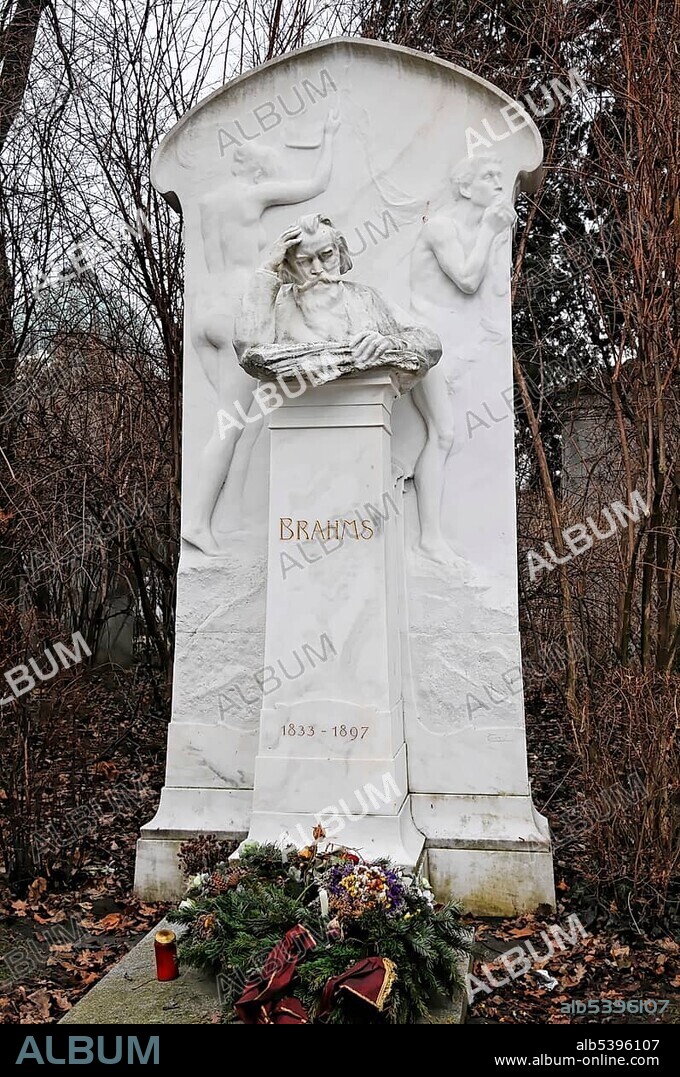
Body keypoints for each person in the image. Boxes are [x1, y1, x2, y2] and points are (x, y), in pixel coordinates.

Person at [185, 110, 341, 554]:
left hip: (205, 315)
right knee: (229, 424)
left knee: (243, 420)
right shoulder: (249, 198)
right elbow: (315, 184)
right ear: (254, 170)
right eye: (265, 170)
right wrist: (327, 134)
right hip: (237, 313)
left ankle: (229, 514)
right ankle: (198, 522)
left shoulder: (207, 202)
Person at [407, 152, 517, 565]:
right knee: (443, 432)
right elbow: (468, 280)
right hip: (428, 342)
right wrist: (491, 230)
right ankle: (429, 538)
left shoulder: (472, 229)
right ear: (466, 187)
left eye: (499, 175)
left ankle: (428, 536)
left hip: (450, 344)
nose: (497, 182)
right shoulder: (441, 227)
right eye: (488, 176)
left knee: (443, 434)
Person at [234, 213, 441, 376]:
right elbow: (248, 350)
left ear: (340, 252)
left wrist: (391, 343)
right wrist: (269, 269)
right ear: (288, 265)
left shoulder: (365, 298)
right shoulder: (277, 305)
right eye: (305, 261)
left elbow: (430, 342)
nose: (317, 269)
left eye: (326, 256)